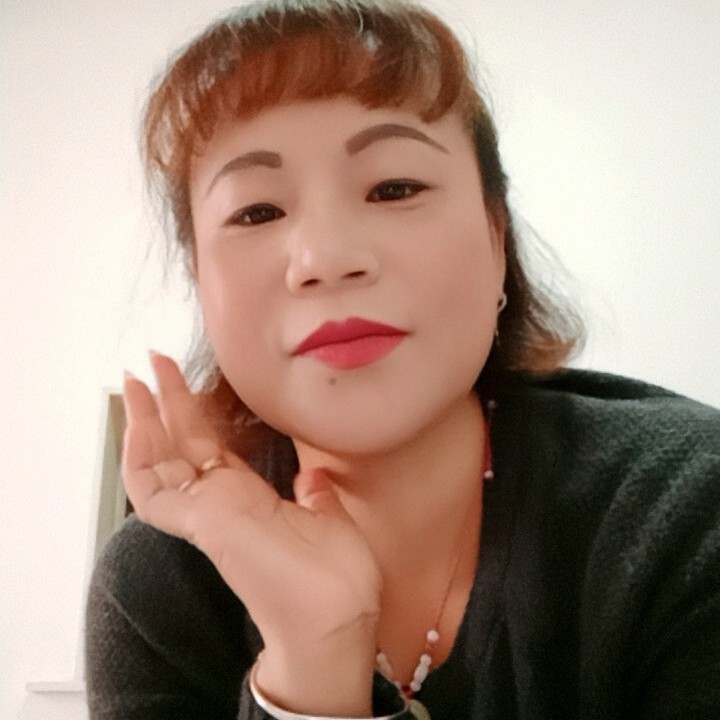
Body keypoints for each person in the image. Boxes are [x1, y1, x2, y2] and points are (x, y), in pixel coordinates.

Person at [84, 1, 720, 718]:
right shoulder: (162, 581)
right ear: (200, 280)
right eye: (257, 212)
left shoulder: (686, 515)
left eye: (395, 188)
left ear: (496, 237)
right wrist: (312, 662)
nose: (326, 258)